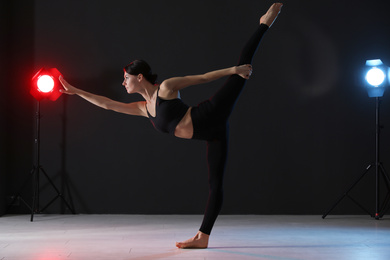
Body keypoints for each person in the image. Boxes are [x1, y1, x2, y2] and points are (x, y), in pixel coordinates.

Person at [59, 3, 283, 249]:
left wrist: (234, 70)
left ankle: (264, 23)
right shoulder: (144, 108)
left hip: (210, 113)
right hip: (213, 134)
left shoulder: (166, 88)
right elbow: (107, 104)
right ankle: (203, 238)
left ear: (139, 77)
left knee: (242, 68)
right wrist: (76, 91)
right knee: (215, 184)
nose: (123, 83)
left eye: (126, 78)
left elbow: (202, 78)